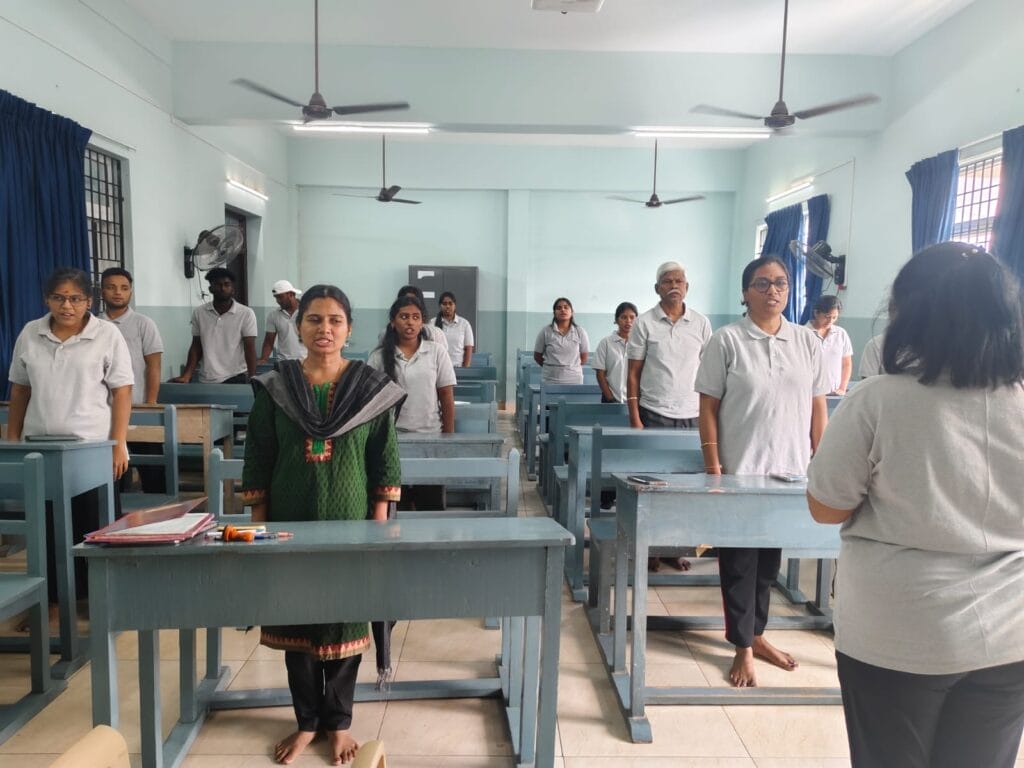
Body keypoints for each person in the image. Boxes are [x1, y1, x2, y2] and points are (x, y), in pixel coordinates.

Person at [807, 242, 1024, 768]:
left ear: (911, 314)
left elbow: (826, 507)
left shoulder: (879, 399)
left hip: (901, 632)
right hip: (1010, 632)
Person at [242, 284, 404, 766]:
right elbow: (259, 455)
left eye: (335, 320)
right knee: (299, 619)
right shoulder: (276, 387)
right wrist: (259, 529)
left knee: (345, 619)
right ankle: (306, 722)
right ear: (298, 326)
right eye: (314, 319)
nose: (325, 329)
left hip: (353, 523)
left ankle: (339, 723)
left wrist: (377, 529)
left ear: (349, 329)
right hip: (289, 523)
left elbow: (384, 459)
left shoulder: (370, 389)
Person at [695, 255, 829, 687]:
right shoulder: (727, 340)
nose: (774, 290)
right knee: (738, 562)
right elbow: (707, 408)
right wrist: (714, 469)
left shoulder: (806, 341)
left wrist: (820, 462)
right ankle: (742, 647)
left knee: (769, 564)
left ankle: (756, 634)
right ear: (745, 292)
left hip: (789, 472)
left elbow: (818, 406)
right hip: (740, 470)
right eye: (763, 283)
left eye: (781, 283)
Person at [6, 267, 134, 602]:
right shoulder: (30, 333)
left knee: (94, 524)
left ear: (89, 301)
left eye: (75, 299)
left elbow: (122, 390)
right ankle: (53, 600)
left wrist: (118, 443)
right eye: (59, 298)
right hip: (40, 448)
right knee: (47, 526)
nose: (67, 306)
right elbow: (19, 390)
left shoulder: (106, 334)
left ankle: (99, 599)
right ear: (47, 299)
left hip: (92, 447)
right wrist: (13, 440)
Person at [368, 295, 456, 510]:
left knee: (431, 504)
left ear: (422, 322)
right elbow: (370, 401)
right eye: (404, 317)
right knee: (398, 505)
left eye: (416, 317)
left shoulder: (436, 351)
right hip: (392, 441)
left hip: (430, 438)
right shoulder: (379, 357)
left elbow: (446, 396)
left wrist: (448, 438)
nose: (410, 322)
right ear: (393, 322)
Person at [98, 266, 165, 492]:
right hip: (103, 411)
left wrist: (150, 403)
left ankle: (158, 508)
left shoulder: (143, 323)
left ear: (131, 292)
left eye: (124, 288)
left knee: (152, 473)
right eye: (111, 287)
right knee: (110, 474)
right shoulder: (93, 324)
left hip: (138, 406)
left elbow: (154, 366)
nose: (118, 292)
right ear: (102, 291)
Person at [626, 261, 712, 428]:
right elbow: (633, 373)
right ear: (657, 288)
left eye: (679, 281)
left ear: (686, 287)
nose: (674, 286)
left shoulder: (701, 323)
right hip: (653, 412)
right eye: (667, 281)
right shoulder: (643, 323)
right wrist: (634, 418)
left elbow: (710, 372)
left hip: (694, 413)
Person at [170, 267, 257, 383]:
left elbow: (249, 347)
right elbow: (196, 346)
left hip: (236, 376)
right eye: (218, 284)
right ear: (210, 289)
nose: (222, 288)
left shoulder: (246, 313)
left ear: (233, 289)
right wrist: (186, 375)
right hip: (206, 378)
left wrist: (252, 377)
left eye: (227, 284)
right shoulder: (199, 313)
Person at [533, 297, 589, 384]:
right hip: (550, 378)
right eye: (559, 308)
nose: (563, 310)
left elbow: (584, 357)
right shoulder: (546, 331)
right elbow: (537, 356)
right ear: (554, 313)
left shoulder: (580, 331)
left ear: (572, 312)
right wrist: (552, 367)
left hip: (574, 378)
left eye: (566, 307)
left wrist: (570, 368)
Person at [807, 294, 853, 394]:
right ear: (816, 313)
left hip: (834, 393)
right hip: (808, 393)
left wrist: (842, 388)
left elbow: (846, 364)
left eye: (834, 317)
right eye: (827, 317)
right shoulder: (803, 333)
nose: (830, 321)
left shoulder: (841, 334)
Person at [593, 301, 637, 404]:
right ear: (616, 320)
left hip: (635, 401)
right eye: (624, 317)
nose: (628, 321)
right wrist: (610, 399)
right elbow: (600, 374)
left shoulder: (641, 343)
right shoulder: (606, 343)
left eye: (632, 317)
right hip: (610, 399)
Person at [379, 286, 448, 351]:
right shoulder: (385, 334)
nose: (410, 322)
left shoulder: (436, 333)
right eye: (405, 302)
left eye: (415, 317)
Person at [257, 279, 306, 364]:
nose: (278, 301)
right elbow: (269, 341)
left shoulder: (308, 312)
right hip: (284, 363)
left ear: (291, 294)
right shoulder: (273, 316)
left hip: (306, 362)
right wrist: (264, 359)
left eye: (280, 297)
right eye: (276, 298)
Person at [434, 291, 474, 368]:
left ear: (455, 305)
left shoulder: (464, 324)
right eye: (444, 304)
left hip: (458, 368)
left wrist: (465, 370)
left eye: (450, 303)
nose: (447, 306)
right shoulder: (432, 323)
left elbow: (469, 348)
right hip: (438, 369)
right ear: (440, 306)